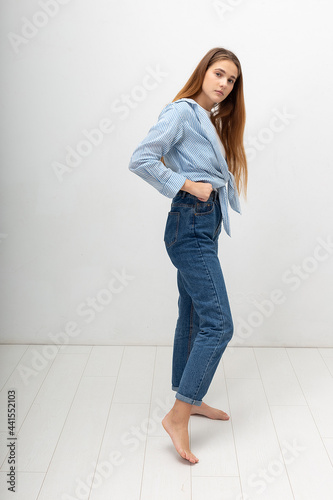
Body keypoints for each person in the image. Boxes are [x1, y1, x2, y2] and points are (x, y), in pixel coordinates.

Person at [128, 47, 248, 464]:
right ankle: (178, 415)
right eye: (219, 73)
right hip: (190, 224)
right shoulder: (181, 111)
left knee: (196, 314)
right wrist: (189, 185)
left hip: (203, 224)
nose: (223, 84)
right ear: (203, 72)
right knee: (220, 323)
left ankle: (190, 398)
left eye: (231, 80)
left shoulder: (207, 118)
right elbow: (141, 158)